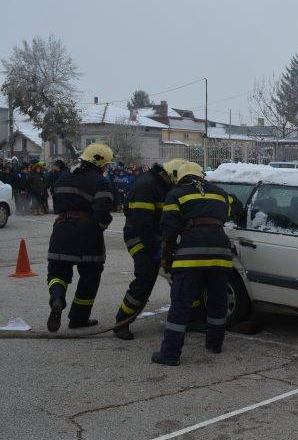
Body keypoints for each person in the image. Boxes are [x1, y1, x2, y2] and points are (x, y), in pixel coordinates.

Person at [152, 161, 233, 366]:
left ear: (179, 178)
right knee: (217, 301)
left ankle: (170, 354)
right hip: (220, 254)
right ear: (201, 175)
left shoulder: (176, 195)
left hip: (190, 255)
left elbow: (169, 234)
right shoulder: (221, 193)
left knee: (180, 304)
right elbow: (229, 213)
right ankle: (215, 344)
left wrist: (167, 261)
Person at [113, 158, 187, 340]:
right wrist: (156, 250)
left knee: (181, 275)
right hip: (138, 235)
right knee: (145, 275)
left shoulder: (166, 183)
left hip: (159, 236)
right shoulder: (147, 185)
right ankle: (122, 322)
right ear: (168, 173)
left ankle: (190, 317)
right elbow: (142, 222)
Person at [46, 143, 114, 332]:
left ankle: (57, 298)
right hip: (88, 235)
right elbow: (102, 212)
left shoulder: (64, 175)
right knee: (90, 276)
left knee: (57, 272)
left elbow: (58, 202)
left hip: (61, 230)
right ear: (100, 163)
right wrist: (100, 226)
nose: (106, 168)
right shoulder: (101, 182)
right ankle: (78, 318)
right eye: (106, 165)